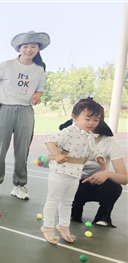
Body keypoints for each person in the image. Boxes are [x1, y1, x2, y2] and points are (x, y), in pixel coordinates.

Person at [0, 31, 50, 200]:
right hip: (5, 109)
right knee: (0, 148)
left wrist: (38, 95)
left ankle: (19, 185)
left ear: (38, 49)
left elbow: (40, 89)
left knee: (22, 151)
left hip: (26, 111)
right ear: (19, 48)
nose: (29, 50)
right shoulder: (7, 65)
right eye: (25, 46)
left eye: (33, 47)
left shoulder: (39, 69)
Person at [41, 99, 106, 245]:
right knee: (53, 200)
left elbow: (91, 152)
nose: (91, 123)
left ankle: (63, 226)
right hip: (60, 173)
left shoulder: (89, 136)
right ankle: (47, 227)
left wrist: (99, 157)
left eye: (96, 120)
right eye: (87, 119)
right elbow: (50, 141)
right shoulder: (68, 132)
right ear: (74, 117)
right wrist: (57, 155)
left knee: (68, 202)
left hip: (75, 174)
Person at [68, 120, 127, 227]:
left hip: (98, 186)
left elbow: (124, 178)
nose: (90, 123)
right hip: (77, 184)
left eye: (93, 119)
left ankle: (103, 216)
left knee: (114, 187)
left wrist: (108, 174)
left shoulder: (109, 143)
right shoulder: (70, 139)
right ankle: (73, 211)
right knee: (66, 182)